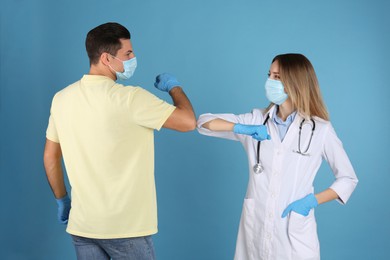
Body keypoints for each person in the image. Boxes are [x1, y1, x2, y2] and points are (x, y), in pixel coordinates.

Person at [43, 22, 196, 260]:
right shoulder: (130, 98)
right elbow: (188, 122)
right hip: (125, 228)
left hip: (83, 225)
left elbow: (50, 157)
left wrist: (62, 200)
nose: (134, 57)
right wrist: (174, 87)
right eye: (128, 53)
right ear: (106, 58)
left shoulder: (62, 99)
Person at [197, 53, 358, 260]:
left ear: (295, 81)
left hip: (294, 232)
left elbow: (348, 178)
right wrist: (240, 127)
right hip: (255, 228)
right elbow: (203, 123)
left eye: (277, 77)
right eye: (269, 75)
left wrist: (311, 201)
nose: (269, 82)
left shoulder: (319, 129)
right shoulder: (256, 120)